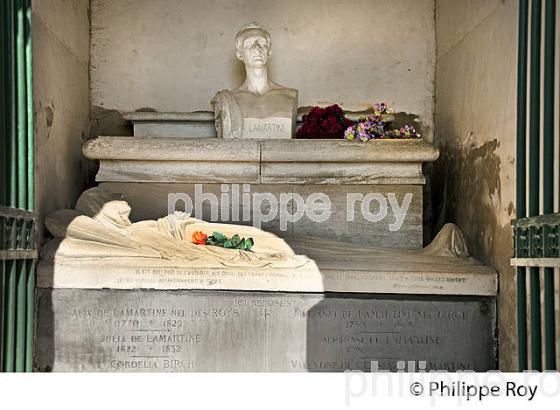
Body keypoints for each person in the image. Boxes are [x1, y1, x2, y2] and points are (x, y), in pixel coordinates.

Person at [212, 23, 298, 139]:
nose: (257, 48)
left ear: (269, 51)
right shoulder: (227, 100)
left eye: (262, 43)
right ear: (239, 54)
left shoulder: (289, 96)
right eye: (249, 44)